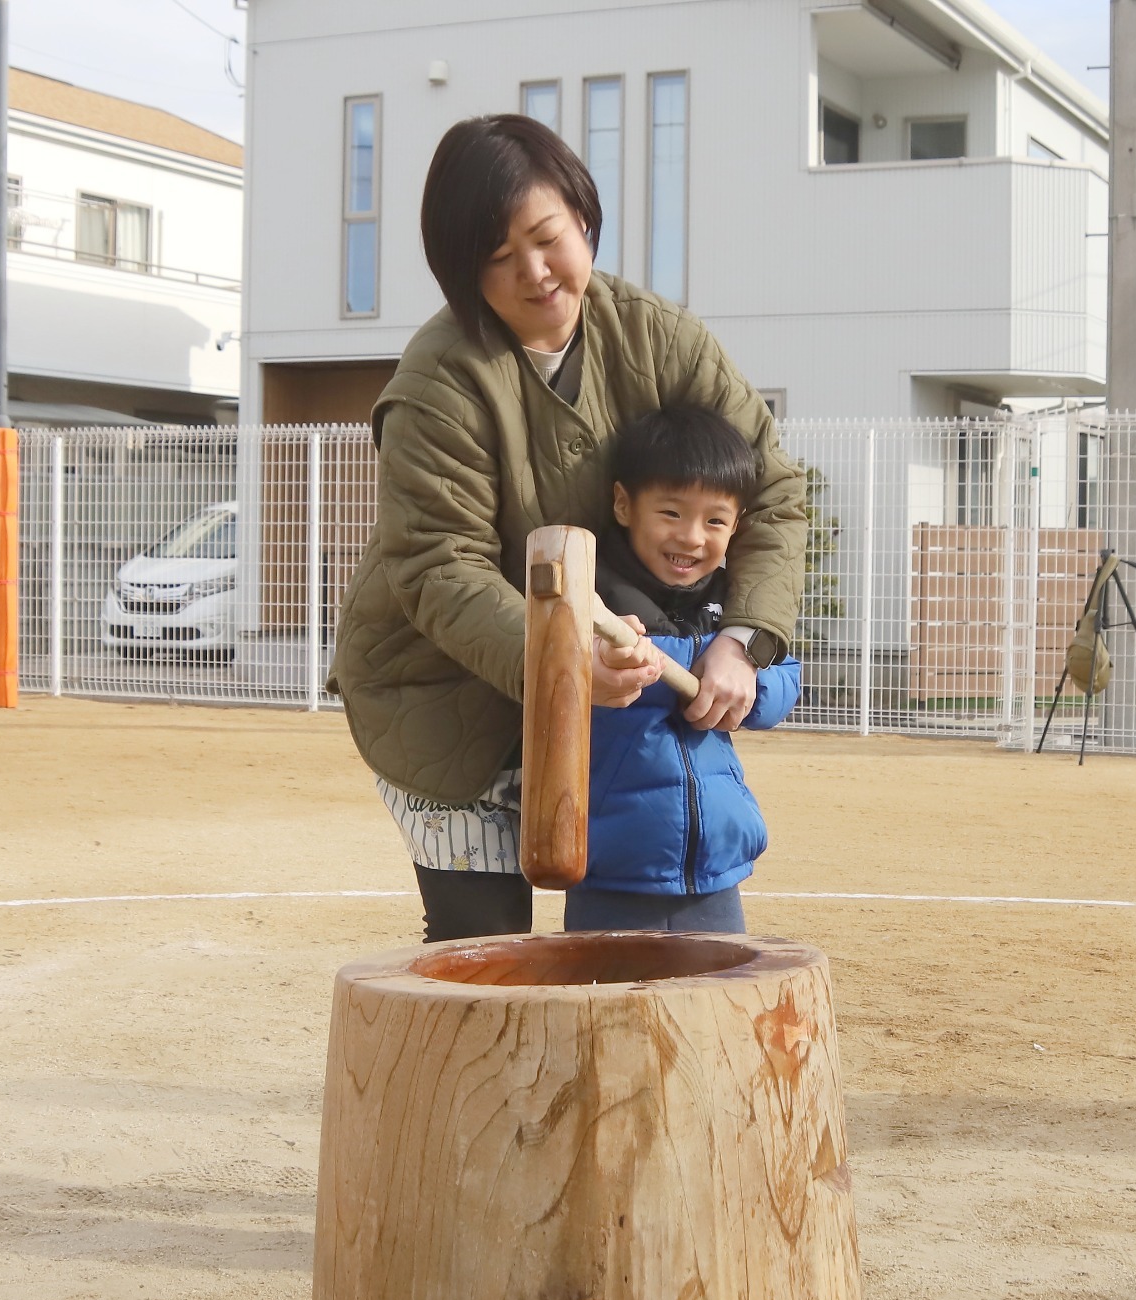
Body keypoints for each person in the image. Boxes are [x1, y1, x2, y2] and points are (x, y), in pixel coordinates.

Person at [330, 114, 808, 943]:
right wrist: (560, 658)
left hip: (614, 690)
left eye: (547, 237)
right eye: (497, 257)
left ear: (583, 216)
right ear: (460, 272)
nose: (535, 271)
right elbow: (439, 567)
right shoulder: (439, 380)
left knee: (641, 939)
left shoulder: (659, 336)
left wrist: (743, 638)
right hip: (451, 700)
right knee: (487, 957)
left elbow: (770, 493)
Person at [566, 406, 801, 933]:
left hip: (715, 870)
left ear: (736, 525)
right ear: (624, 505)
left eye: (715, 520)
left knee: (715, 1009)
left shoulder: (735, 607)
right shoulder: (597, 596)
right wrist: (612, 666)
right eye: (671, 513)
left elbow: (787, 677)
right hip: (613, 870)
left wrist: (742, 675)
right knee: (607, 1009)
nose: (692, 537)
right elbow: (552, 677)